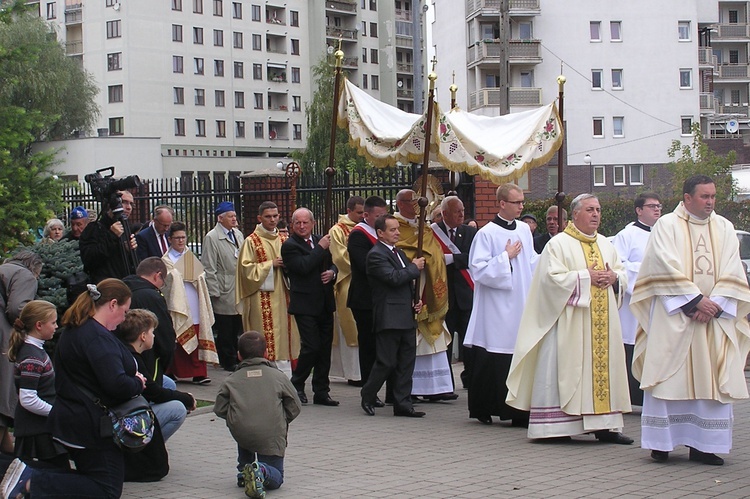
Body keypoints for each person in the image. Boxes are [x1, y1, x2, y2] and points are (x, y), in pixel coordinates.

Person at [631, 175, 750, 466]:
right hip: (675, 317)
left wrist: (714, 305)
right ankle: (662, 444)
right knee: (667, 377)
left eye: (713, 197)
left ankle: (704, 446)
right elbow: (661, 263)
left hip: (712, 321)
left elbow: (733, 269)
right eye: (704, 197)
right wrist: (694, 301)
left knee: (710, 380)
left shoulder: (723, 227)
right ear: (687, 198)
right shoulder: (667, 225)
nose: (710, 202)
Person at [1, 279, 145, 499]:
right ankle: (30, 479)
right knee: (106, 489)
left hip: (76, 420)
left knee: (89, 479)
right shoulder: (95, 336)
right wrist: (137, 382)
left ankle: (28, 475)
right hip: (91, 425)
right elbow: (114, 384)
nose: (124, 318)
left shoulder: (76, 330)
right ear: (113, 304)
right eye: (124, 311)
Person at [507, 193, 633, 444]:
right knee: (566, 369)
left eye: (598, 209)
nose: (596, 214)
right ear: (575, 215)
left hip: (602, 326)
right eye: (590, 210)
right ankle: (557, 427)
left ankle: (605, 426)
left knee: (602, 370)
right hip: (569, 323)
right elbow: (550, 280)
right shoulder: (558, 244)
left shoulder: (607, 245)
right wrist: (585, 277)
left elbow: (620, 271)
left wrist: (614, 279)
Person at [464, 184, 538, 426]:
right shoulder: (486, 233)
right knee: (493, 356)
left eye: (522, 202)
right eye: (516, 202)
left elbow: (532, 261)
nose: (521, 207)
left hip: (521, 301)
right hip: (495, 307)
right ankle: (485, 408)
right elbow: (478, 269)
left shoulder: (525, 230)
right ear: (502, 204)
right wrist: (506, 257)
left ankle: (519, 412)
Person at [215, 331, 301, 498]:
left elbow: (219, 408)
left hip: (243, 433)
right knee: (277, 477)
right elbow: (295, 405)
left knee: (244, 425)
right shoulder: (279, 377)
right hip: (271, 433)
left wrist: (235, 418)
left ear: (239, 355)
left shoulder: (231, 380)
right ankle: (262, 471)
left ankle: (243, 471)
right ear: (266, 353)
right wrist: (282, 419)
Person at [361, 214, 425, 418]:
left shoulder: (399, 253)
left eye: (397, 229)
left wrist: (415, 300)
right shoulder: (376, 254)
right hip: (389, 316)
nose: (397, 232)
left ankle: (403, 403)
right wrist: (414, 268)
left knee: (406, 361)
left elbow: (405, 283)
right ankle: (368, 394)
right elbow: (393, 278)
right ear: (380, 233)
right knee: (386, 361)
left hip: (405, 314)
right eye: (392, 230)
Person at [394, 189, 454, 401]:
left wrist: (430, 256)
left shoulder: (425, 228)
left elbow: (435, 253)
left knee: (434, 334)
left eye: (419, 201)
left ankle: (438, 387)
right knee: (415, 338)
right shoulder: (396, 226)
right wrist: (417, 257)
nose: (418, 205)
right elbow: (398, 252)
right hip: (412, 283)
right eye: (412, 201)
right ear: (401, 204)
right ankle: (416, 388)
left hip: (429, 284)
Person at [282, 208, 339, 406]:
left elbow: (332, 264)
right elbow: (303, 267)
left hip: (324, 302)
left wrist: (332, 273)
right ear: (292, 225)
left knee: (324, 349)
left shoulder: (318, 240)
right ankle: (296, 383)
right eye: (297, 223)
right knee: (311, 346)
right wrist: (320, 248)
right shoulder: (290, 245)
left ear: (312, 223)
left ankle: (321, 390)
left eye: (305, 222)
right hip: (305, 304)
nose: (302, 226)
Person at [611, 192, 662, 406]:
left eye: (659, 206)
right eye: (652, 206)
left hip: (657, 304)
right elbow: (618, 267)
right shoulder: (627, 235)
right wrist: (647, 271)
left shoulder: (664, 233)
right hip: (633, 307)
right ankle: (630, 398)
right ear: (639, 210)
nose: (657, 210)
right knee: (631, 348)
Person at [236, 201, 299, 368]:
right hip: (260, 297)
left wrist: (288, 265)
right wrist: (271, 265)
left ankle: (284, 373)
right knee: (263, 335)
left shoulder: (285, 239)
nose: (272, 220)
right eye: (268, 216)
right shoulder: (251, 241)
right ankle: (262, 368)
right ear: (259, 218)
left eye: (275, 216)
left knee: (284, 336)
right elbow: (245, 271)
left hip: (284, 294)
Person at [116, 309, 195, 441]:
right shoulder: (133, 359)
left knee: (168, 382)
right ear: (143, 336)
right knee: (178, 409)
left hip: (131, 404)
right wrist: (186, 398)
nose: (154, 336)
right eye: (152, 332)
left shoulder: (130, 351)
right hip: (126, 415)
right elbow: (154, 392)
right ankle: (147, 445)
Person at [8, 300, 68, 469]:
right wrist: (55, 412)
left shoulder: (35, 351)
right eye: (53, 322)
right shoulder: (32, 358)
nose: (56, 326)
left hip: (40, 429)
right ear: (39, 325)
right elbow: (27, 398)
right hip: (36, 432)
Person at [162, 221, 218, 385]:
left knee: (198, 333)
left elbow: (201, 277)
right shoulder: (165, 259)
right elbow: (168, 279)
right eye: (177, 238)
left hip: (194, 301)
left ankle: (199, 372)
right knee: (176, 336)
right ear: (170, 239)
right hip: (177, 305)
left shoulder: (190, 256)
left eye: (183, 237)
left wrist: (194, 274)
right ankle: (172, 371)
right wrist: (182, 273)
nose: (180, 241)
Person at [431, 195, 476, 390]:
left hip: (466, 297)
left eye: (463, 211)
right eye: (457, 211)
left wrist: (450, 260)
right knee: (445, 345)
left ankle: (471, 379)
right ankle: (446, 384)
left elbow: (473, 257)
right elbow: (431, 259)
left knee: (469, 344)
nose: (461, 214)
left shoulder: (470, 232)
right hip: (443, 297)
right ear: (444, 214)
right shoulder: (433, 233)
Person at [0, 251, 43, 458]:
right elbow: (19, 308)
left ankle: (13, 460)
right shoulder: (24, 275)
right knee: (3, 399)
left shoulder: (4, 270)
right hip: (3, 339)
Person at [347, 196, 390, 402]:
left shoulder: (382, 233)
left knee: (383, 345)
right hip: (364, 299)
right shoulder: (358, 235)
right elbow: (367, 265)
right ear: (366, 215)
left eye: (385, 215)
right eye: (378, 216)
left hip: (381, 297)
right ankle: (369, 389)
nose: (383, 219)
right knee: (369, 345)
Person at [202, 201, 244, 372]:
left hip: (238, 286)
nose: (234, 219)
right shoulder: (212, 237)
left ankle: (232, 355)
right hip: (223, 286)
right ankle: (228, 360)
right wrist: (213, 290)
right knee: (225, 326)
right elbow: (209, 266)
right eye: (230, 216)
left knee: (236, 324)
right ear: (220, 218)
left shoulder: (238, 234)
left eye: (234, 216)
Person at [328, 196, 364, 385]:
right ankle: (353, 373)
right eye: (359, 213)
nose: (362, 216)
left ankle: (364, 369)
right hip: (347, 281)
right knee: (350, 326)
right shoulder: (338, 230)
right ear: (349, 211)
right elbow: (340, 257)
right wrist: (364, 265)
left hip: (365, 281)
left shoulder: (366, 228)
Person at [123, 257, 176, 381]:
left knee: (170, 385)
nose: (162, 285)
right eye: (163, 281)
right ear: (158, 276)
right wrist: (164, 361)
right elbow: (165, 335)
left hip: (125, 359)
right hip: (149, 360)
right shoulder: (152, 297)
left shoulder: (124, 288)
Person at [79, 190, 139, 283]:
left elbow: (133, 265)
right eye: (123, 202)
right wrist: (112, 236)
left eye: (131, 204)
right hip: (104, 287)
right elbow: (89, 260)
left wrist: (129, 250)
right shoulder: (94, 228)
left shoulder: (127, 228)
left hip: (125, 285)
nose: (129, 207)